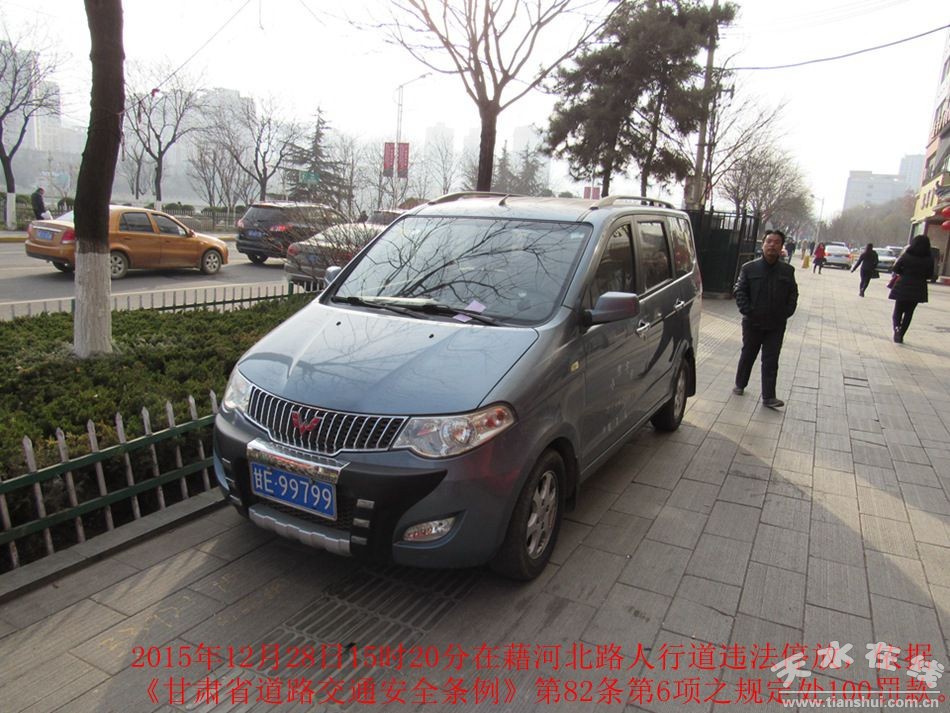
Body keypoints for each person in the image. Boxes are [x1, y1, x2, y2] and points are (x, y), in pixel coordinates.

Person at [733, 229, 799, 409]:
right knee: (748, 354)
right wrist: (747, 311)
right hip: (753, 322)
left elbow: (793, 293)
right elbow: (739, 290)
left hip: (776, 324)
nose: (772, 245)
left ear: (781, 246)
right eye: (769, 241)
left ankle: (769, 396)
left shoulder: (787, 270)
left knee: (771, 359)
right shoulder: (749, 268)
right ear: (763, 245)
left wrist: (787, 311)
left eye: (776, 242)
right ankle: (740, 383)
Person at [888, 234, 934, 343]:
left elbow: (896, 268)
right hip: (918, 287)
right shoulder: (929, 259)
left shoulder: (907, 255)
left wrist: (904, 273)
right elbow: (930, 275)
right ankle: (901, 334)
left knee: (898, 310)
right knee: (909, 312)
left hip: (903, 285)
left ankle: (896, 328)